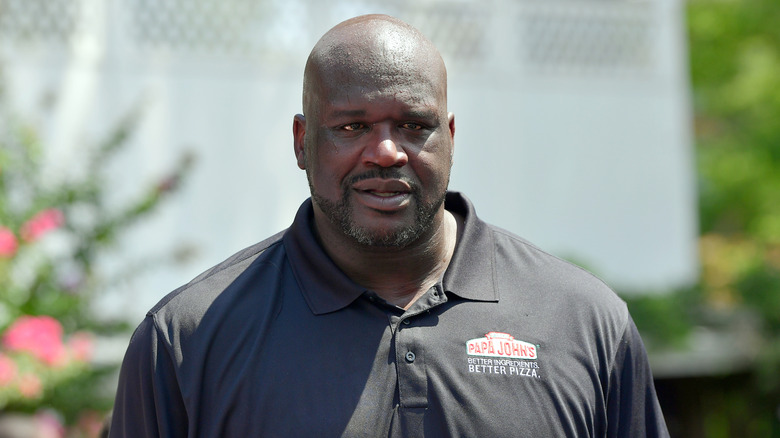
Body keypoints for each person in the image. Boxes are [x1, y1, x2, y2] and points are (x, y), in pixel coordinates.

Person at [109, 14, 669, 437]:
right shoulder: (185, 341)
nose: (385, 151)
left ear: (450, 136)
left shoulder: (583, 321)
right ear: (304, 143)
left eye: (413, 124)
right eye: (352, 126)